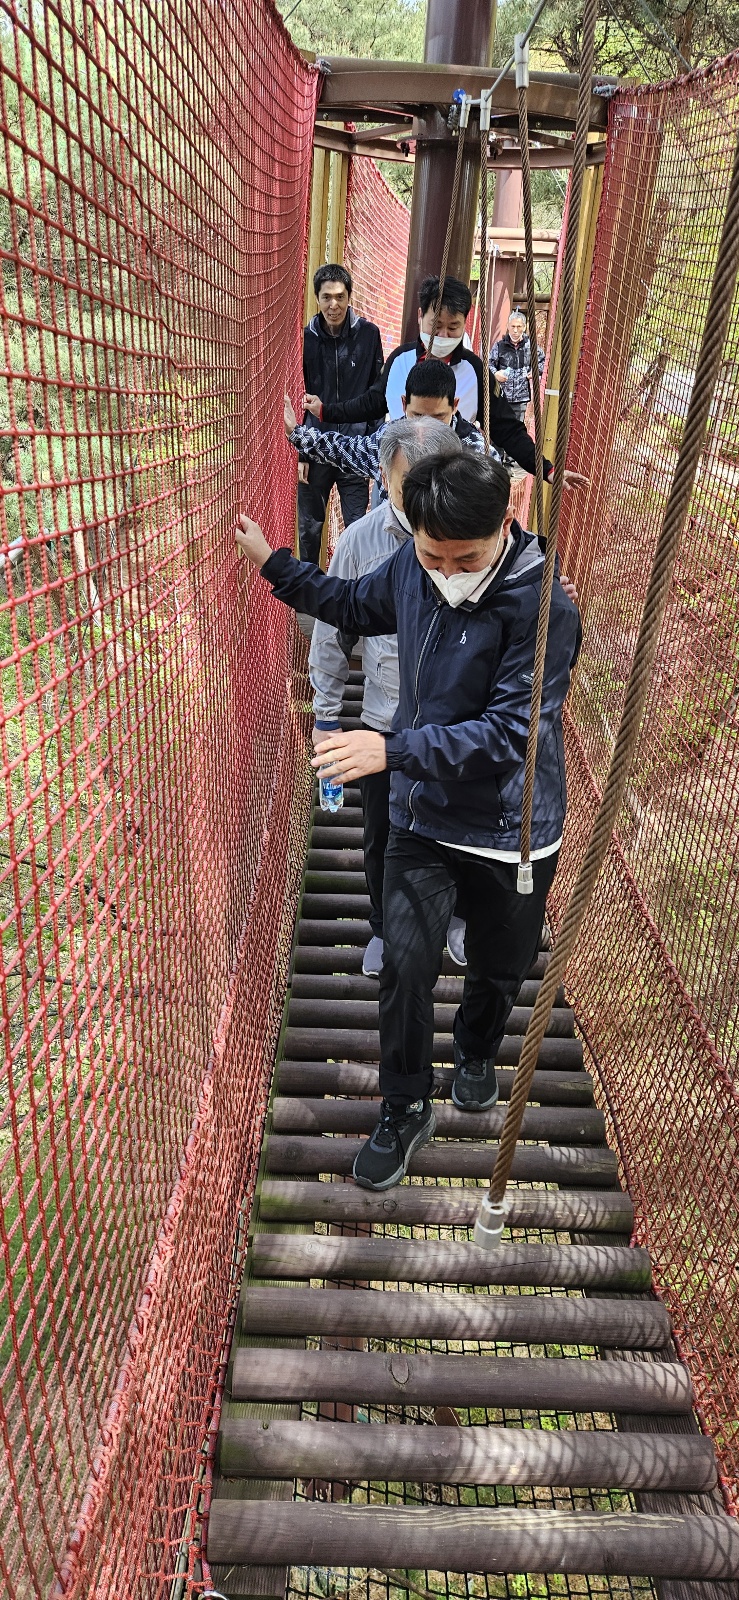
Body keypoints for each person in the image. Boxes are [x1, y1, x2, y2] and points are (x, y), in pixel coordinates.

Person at [235, 452, 581, 1192]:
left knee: (498, 965)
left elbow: (508, 735)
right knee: (403, 965)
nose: (446, 572)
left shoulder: (544, 608)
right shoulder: (411, 571)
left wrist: (388, 750)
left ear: (506, 523)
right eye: (431, 555)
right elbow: (353, 605)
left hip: (510, 826)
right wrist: (274, 564)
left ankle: (477, 1049)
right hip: (422, 816)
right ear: (411, 535)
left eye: (466, 558)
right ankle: (403, 1105)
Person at [309, 417, 468, 977]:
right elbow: (332, 632)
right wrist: (327, 718)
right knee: (382, 831)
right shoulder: (361, 543)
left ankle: (457, 917)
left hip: (456, 721)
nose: (423, 500)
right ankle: (383, 926)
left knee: (459, 825)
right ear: (382, 478)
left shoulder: (473, 533)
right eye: (409, 487)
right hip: (384, 718)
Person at [301, 274, 587, 492]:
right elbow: (372, 402)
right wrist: (326, 410)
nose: (443, 335)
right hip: (395, 483)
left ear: (465, 324)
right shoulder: (400, 360)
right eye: (435, 326)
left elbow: (507, 430)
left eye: (453, 327)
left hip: (448, 488)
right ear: (420, 317)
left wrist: (546, 469)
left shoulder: (475, 371)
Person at [285, 359, 486, 501]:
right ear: (404, 404)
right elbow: (346, 449)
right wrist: (297, 433)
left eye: (438, 418)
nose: (426, 427)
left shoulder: (474, 450)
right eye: (417, 416)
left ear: (455, 406)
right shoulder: (390, 438)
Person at [298, 263, 384, 564]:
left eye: (339, 296)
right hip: (316, 448)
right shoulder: (305, 339)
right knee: (309, 530)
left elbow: (377, 394)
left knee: (357, 529)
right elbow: (299, 395)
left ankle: (352, 587)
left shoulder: (369, 335)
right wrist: (302, 454)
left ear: (349, 297)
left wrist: (373, 447)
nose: (333, 304)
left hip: (354, 449)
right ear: (317, 299)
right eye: (326, 297)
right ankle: (308, 588)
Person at [490, 311, 545, 423]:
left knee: (517, 428)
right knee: (500, 427)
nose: (515, 330)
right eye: (513, 326)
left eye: (519, 327)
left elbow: (543, 362)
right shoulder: (499, 346)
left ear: (524, 327)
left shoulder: (531, 347)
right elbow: (488, 364)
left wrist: (536, 371)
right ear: (508, 326)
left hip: (521, 399)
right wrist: (495, 374)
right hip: (501, 396)